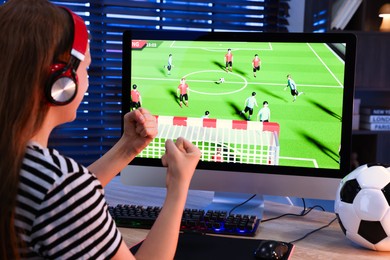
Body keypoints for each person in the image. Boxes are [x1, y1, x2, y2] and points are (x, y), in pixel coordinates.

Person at [0, 1, 201, 259]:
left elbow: (67, 199)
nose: (88, 81)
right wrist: (178, 185)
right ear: (61, 82)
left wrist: (128, 147)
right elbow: (67, 195)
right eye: (86, 70)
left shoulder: (28, 167)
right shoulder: (60, 186)